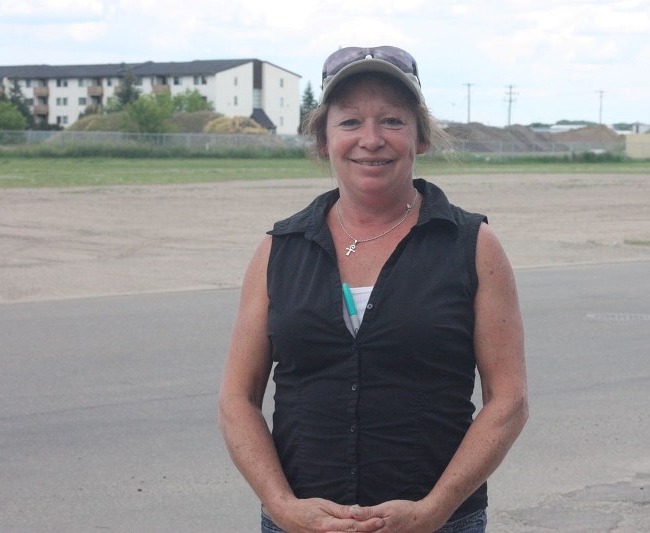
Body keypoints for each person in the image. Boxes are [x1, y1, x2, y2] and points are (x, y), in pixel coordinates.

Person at [219, 45, 528, 533]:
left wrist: (434, 508)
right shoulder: (279, 249)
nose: (371, 139)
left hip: (438, 523)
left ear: (420, 138)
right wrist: (281, 505)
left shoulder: (473, 246)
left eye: (392, 121)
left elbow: (508, 401)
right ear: (323, 139)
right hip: (299, 524)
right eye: (349, 123)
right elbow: (237, 399)